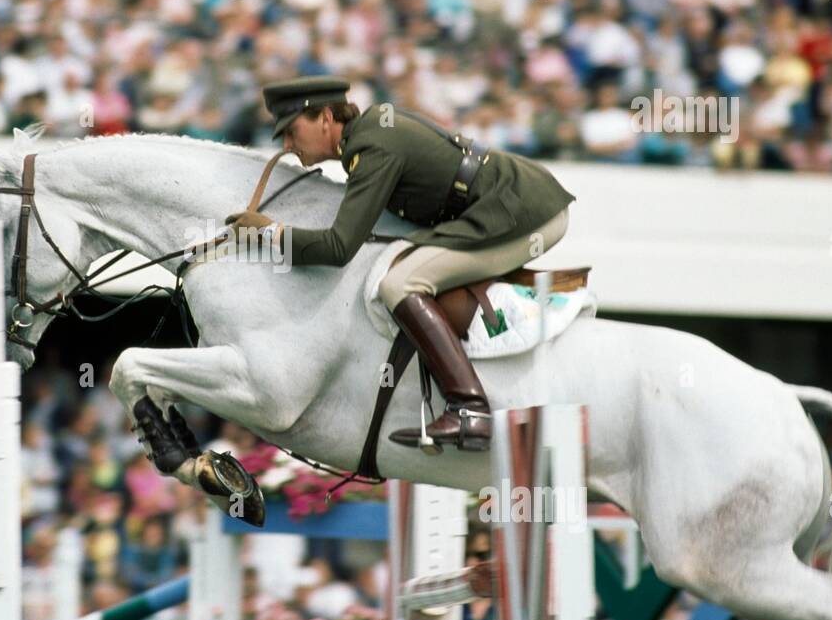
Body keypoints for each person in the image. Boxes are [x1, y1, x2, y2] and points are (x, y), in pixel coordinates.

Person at [225, 76, 575, 451]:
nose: (288, 145)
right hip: (510, 203)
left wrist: (270, 233)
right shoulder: (368, 136)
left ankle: (470, 409)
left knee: (400, 284)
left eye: (292, 131)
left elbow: (337, 248)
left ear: (325, 117)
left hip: (524, 212)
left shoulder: (372, 146)